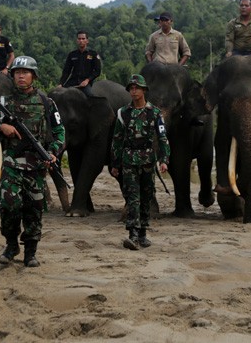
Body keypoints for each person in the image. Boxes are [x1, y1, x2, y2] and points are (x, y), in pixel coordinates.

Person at [0, 56, 66, 267]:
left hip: (36, 166)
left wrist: (53, 153)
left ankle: (30, 252)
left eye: (25, 72)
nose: (21, 76)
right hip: (12, 164)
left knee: (34, 209)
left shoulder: (47, 103)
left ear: (34, 76)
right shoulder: (4, 103)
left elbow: (59, 133)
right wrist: (2, 127)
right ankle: (11, 245)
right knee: (9, 206)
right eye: (17, 72)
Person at [110, 74, 171, 250]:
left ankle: (143, 232)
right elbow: (117, 139)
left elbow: (162, 138)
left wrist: (164, 159)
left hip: (147, 160)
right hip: (129, 159)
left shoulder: (155, 113)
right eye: (131, 88)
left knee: (146, 196)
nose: (133, 90)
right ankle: (133, 234)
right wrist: (115, 163)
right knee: (132, 197)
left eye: (137, 87)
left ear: (144, 90)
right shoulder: (123, 113)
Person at [57, 30, 102, 97]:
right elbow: (66, 71)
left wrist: (87, 80)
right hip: (72, 82)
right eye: (79, 39)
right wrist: (61, 83)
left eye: (83, 39)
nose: (81, 40)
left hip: (86, 83)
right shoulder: (72, 55)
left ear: (87, 41)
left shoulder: (93, 54)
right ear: (77, 40)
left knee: (91, 97)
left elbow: (97, 71)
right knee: (59, 95)